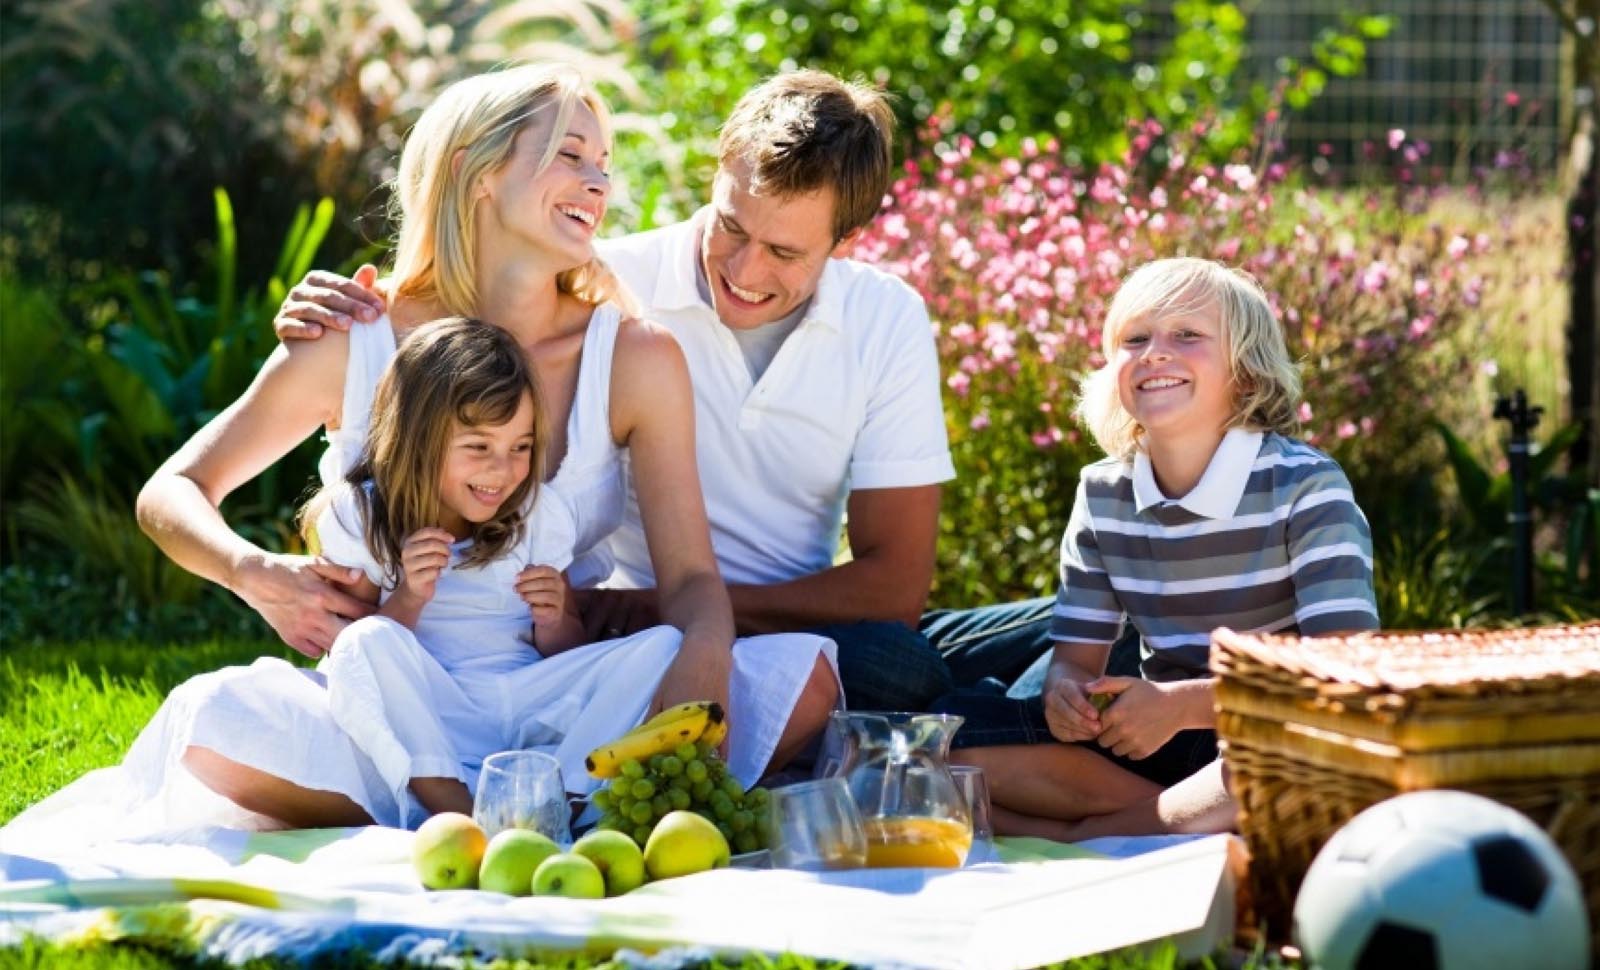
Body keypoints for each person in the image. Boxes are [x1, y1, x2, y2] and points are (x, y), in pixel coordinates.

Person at [80, 63, 837, 835]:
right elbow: (171, 491)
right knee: (214, 719)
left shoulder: (634, 354)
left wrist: (700, 675)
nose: (598, 182)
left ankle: (506, 805)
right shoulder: (355, 337)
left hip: (551, 695)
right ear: (475, 170)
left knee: (799, 678)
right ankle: (522, 808)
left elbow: (690, 578)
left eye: (603, 165)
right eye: (571, 155)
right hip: (393, 695)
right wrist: (258, 575)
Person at [278, 70, 962, 712]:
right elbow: (468, 312)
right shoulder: (601, 282)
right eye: (731, 226)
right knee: (913, 675)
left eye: (785, 253)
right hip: (620, 632)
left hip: (719, 616)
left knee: (996, 648)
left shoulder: (882, 316)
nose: (746, 270)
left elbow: (895, 588)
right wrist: (333, 325)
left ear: (846, 240)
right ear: (715, 178)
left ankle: (1015, 732)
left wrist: (668, 611)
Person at [934, 257, 1380, 840]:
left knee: (1291, 761)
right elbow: (1074, 659)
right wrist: (1065, 698)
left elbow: (1344, 677)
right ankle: (1169, 820)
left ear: (1246, 373)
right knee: (940, 739)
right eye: (1134, 339)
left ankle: (1091, 831)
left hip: (1273, 728)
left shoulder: (1305, 486)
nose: (1155, 353)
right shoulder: (1104, 492)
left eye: (1187, 336)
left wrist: (1179, 707)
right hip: (1150, 736)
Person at [307, 318, 695, 824]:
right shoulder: (362, 515)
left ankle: (565, 800)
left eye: (521, 447)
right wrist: (409, 596)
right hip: (439, 707)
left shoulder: (535, 514)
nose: (503, 470)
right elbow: (363, 665)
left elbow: (567, 654)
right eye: (479, 447)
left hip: (526, 699)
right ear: (418, 439)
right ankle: (460, 809)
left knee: (661, 646)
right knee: (365, 641)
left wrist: (556, 620)